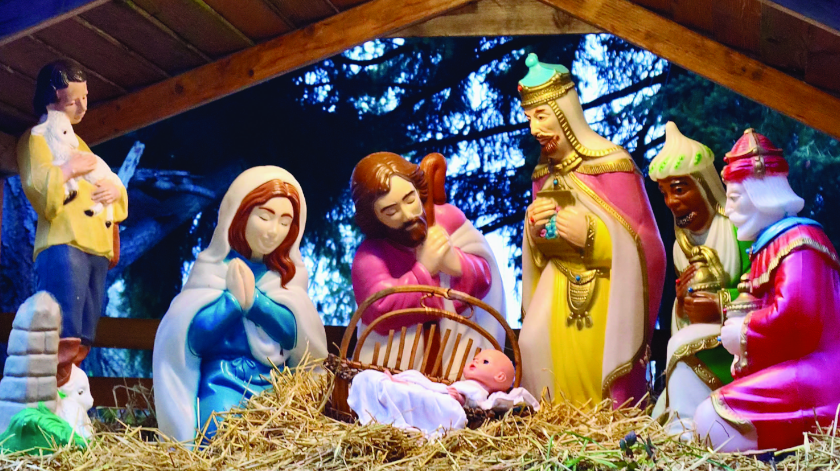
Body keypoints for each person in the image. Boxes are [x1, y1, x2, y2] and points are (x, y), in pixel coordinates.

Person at [517, 54, 666, 407]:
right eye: (529, 118)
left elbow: (649, 246)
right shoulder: (543, 175)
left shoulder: (613, 165)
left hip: (605, 292)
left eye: (541, 116)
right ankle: (550, 418)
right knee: (531, 341)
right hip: (556, 283)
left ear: (565, 112)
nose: (534, 129)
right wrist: (533, 230)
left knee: (596, 364)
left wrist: (593, 235)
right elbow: (540, 250)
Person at [153, 166, 328, 443]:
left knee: (284, 440)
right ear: (240, 214)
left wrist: (255, 303)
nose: (273, 231)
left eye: (285, 222)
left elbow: (297, 335)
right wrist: (232, 303)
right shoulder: (213, 270)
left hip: (275, 385)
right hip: (222, 379)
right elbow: (191, 338)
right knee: (220, 433)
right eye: (264, 217)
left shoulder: (286, 278)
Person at [694, 129, 840, 451]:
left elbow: (797, 319)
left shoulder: (799, 244)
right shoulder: (770, 246)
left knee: (712, 419)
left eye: (734, 198)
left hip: (818, 377)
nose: (729, 210)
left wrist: (742, 332)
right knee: (707, 417)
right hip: (802, 369)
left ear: (762, 195)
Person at [16, 59, 128, 385]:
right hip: (65, 242)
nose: (82, 107)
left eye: (85, 97)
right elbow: (39, 186)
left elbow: (112, 186)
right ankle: (52, 388)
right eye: (73, 100)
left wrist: (115, 191)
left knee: (86, 326)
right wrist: (68, 169)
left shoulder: (81, 145)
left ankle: (71, 386)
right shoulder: (37, 138)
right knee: (64, 321)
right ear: (53, 99)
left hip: (96, 244)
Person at [350, 152, 506, 376]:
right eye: (391, 211)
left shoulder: (449, 222)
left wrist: (458, 264)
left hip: (458, 355)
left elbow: (485, 277)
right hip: (397, 367)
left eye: (410, 200)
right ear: (374, 218)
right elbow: (379, 309)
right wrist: (423, 270)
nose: (407, 215)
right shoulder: (370, 255)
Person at [648, 122, 750, 438]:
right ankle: (682, 425)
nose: (671, 202)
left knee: (681, 344)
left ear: (704, 186)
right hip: (700, 337)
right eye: (665, 193)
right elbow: (684, 310)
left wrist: (720, 304)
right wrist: (683, 302)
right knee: (680, 343)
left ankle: (688, 426)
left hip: (738, 344)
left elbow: (763, 292)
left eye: (679, 189)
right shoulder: (681, 246)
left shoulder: (739, 231)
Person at [347, 349, 536, 438]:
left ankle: (397, 387)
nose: (475, 361)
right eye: (475, 358)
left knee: (431, 399)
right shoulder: (466, 383)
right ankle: (399, 384)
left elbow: (477, 403)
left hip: (449, 404)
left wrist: (460, 399)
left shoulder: (480, 391)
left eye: (484, 362)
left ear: (500, 376)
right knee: (416, 378)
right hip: (443, 394)